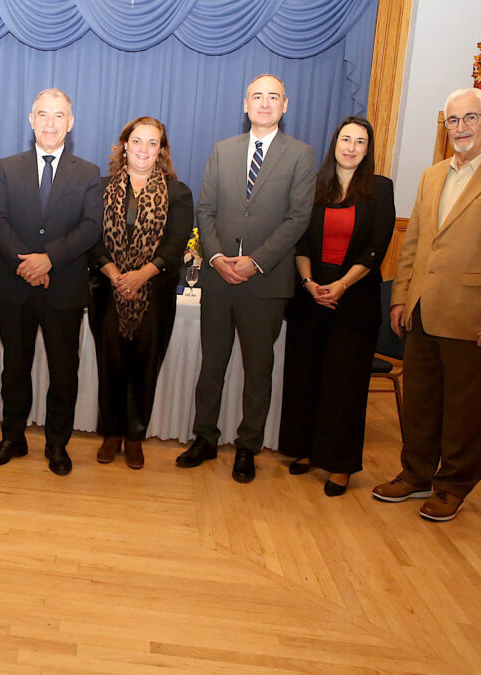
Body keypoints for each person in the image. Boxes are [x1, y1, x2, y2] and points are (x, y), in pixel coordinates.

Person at [372, 88, 481, 521]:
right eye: (453, 120)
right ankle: (415, 474)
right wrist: (401, 297)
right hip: (423, 310)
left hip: (477, 316)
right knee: (420, 401)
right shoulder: (434, 176)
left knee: (469, 409)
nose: (461, 128)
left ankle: (453, 485)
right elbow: (413, 242)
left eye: (470, 118)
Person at [178, 73, 316, 483]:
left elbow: (298, 219)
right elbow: (205, 209)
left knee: (258, 371)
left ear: (285, 105)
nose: (265, 103)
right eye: (258, 96)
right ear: (245, 104)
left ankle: (247, 446)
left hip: (266, 282)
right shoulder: (223, 150)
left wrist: (255, 262)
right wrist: (217, 257)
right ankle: (204, 438)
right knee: (212, 366)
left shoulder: (301, 155)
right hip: (219, 279)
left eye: (274, 96)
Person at [0, 88, 103, 476]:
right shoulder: (6, 167)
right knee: (14, 368)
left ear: (70, 122)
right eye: (43, 115)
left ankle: (57, 445)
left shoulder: (87, 173)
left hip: (63, 287)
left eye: (58, 116)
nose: (50, 123)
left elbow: (91, 226)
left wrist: (49, 258)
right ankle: (12, 438)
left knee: (64, 372)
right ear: (31, 119)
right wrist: (27, 263)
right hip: (15, 287)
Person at [278, 116, 395, 496]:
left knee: (343, 385)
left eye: (360, 142)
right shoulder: (313, 185)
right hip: (309, 296)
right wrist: (310, 283)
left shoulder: (380, 189)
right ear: (335, 143)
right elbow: (301, 242)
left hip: (354, 298)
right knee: (306, 376)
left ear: (367, 149)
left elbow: (376, 247)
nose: (351, 147)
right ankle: (306, 451)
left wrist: (341, 286)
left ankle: (340, 464)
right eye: (346, 139)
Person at [88, 117, 193, 469]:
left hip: (154, 295)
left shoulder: (178, 192)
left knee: (144, 368)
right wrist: (117, 276)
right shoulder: (100, 188)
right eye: (137, 141)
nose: (144, 149)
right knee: (111, 366)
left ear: (161, 150)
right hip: (107, 292)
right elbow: (92, 239)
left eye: (152, 143)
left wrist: (140, 277)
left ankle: (134, 437)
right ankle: (111, 434)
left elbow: (176, 244)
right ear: (125, 145)